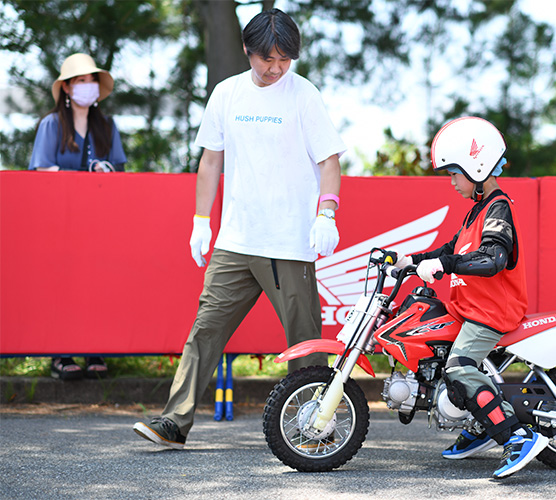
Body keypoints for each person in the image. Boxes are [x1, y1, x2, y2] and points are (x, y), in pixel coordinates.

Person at [133, 8, 345, 450]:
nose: (276, 68)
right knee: (204, 330)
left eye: (286, 59)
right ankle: (174, 422)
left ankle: (314, 428)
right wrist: (200, 221)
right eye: (268, 59)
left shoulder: (303, 94)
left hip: (289, 242)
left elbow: (329, 160)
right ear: (248, 51)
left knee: (305, 344)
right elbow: (210, 160)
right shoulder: (227, 93)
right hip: (236, 240)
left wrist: (326, 213)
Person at [394, 116, 549, 480]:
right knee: (443, 356)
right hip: (468, 309)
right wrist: (407, 261)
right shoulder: (474, 213)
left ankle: (517, 437)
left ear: (476, 167)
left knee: (458, 368)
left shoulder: (498, 208)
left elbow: (492, 259)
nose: (451, 182)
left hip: (490, 312)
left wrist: (443, 265)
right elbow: (449, 250)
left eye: (454, 173)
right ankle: (481, 425)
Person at [29, 53, 127, 380]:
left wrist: (103, 170)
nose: (88, 86)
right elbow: (41, 170)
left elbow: (119, 168)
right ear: (67, 88)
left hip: (99, 223)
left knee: (98, 282)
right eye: (81, 81)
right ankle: (61, 353)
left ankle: (95, 349)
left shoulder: (107, 126)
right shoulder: (51, 124)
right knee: (62, 283)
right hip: (59, 221)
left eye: (92, 80)